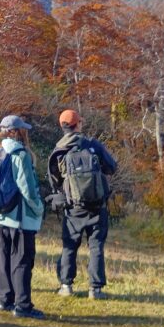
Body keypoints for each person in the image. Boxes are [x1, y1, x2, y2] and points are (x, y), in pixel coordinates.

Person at [47, 109, 118, 300]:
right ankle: (95, 289)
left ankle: (66, 286)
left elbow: (54, 180)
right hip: (97, 206)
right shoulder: (93, 145)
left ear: (62, 126)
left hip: (73, 207)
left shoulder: (59, 150)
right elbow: (111, 167)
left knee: (70, 245)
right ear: (78, 124)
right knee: (96, 246)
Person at [0, 115, 45, 320]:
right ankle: (23, 305)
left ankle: (5, 300)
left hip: (0, 215)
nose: (25, 133)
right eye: (22, 129)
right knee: (22, 260)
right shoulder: (21, 155)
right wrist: (39, 208)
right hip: (20, 218)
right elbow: (27, 189)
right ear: (15, 132)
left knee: (4, 258)